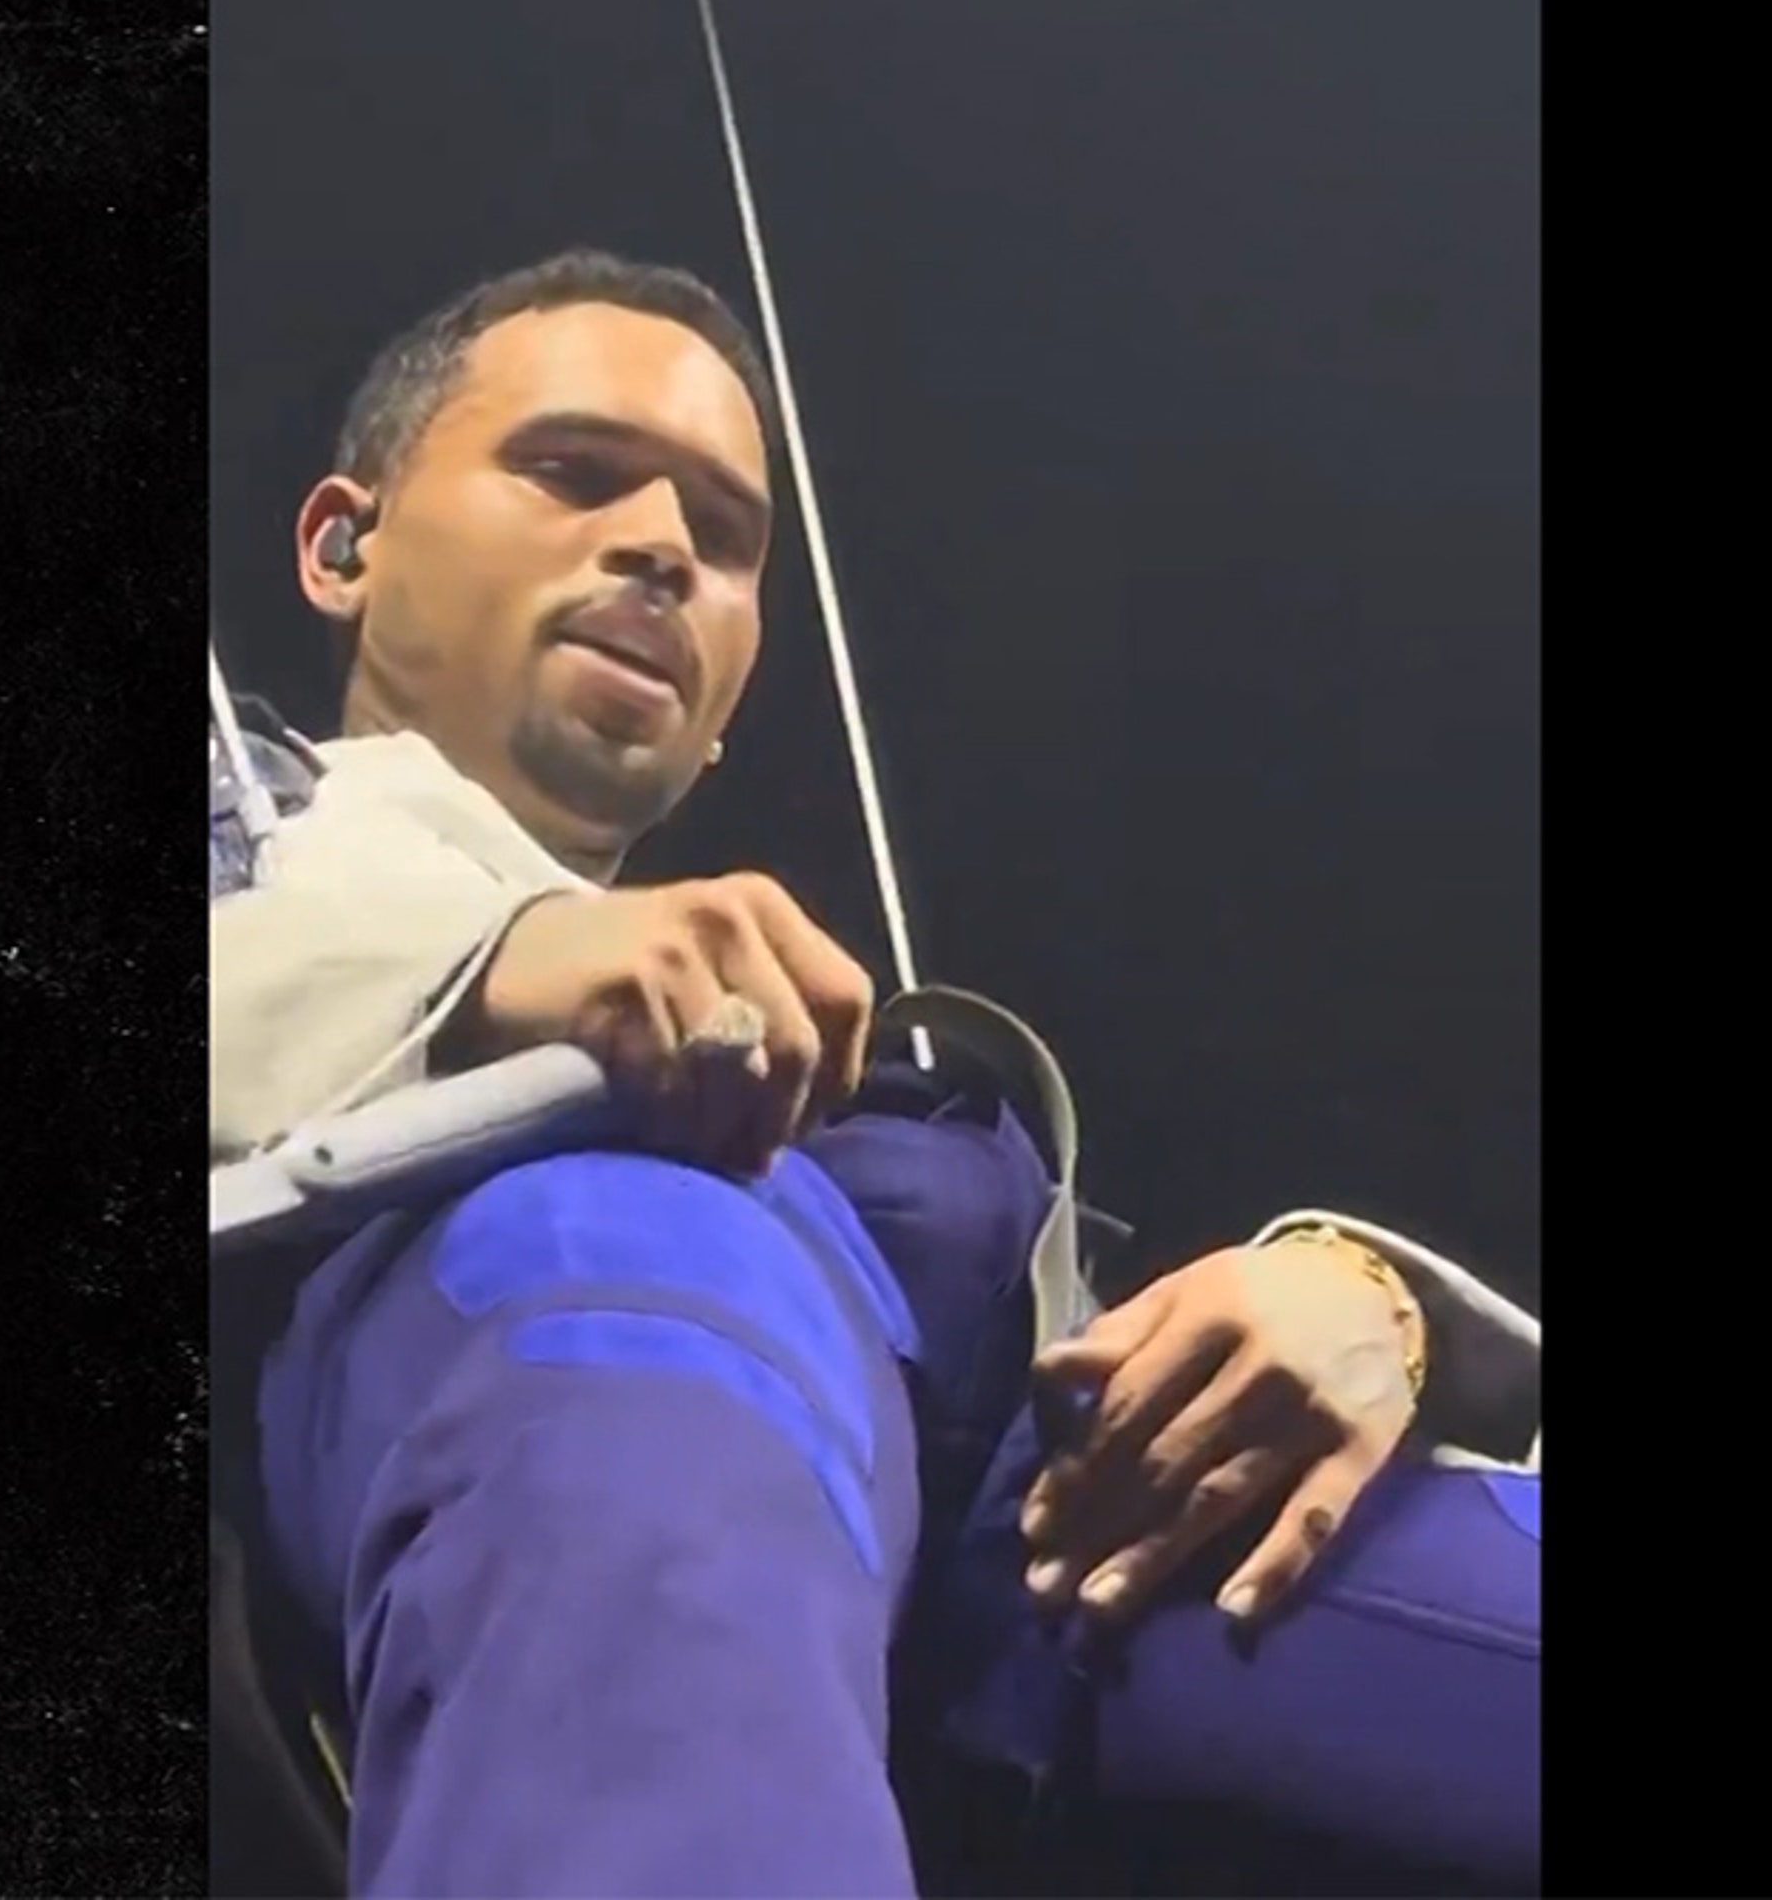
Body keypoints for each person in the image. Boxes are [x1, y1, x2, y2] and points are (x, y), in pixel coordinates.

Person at [210, 250, 1539, 1897]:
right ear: (343, 547)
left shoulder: (831, 1072)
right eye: (573, 471)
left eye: (726, 536)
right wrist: (498, 978)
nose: (662, 545)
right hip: (553, 1370)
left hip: (1025, 1519)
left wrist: (1373, 1305)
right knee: (633, 1244)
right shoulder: (251, 833)